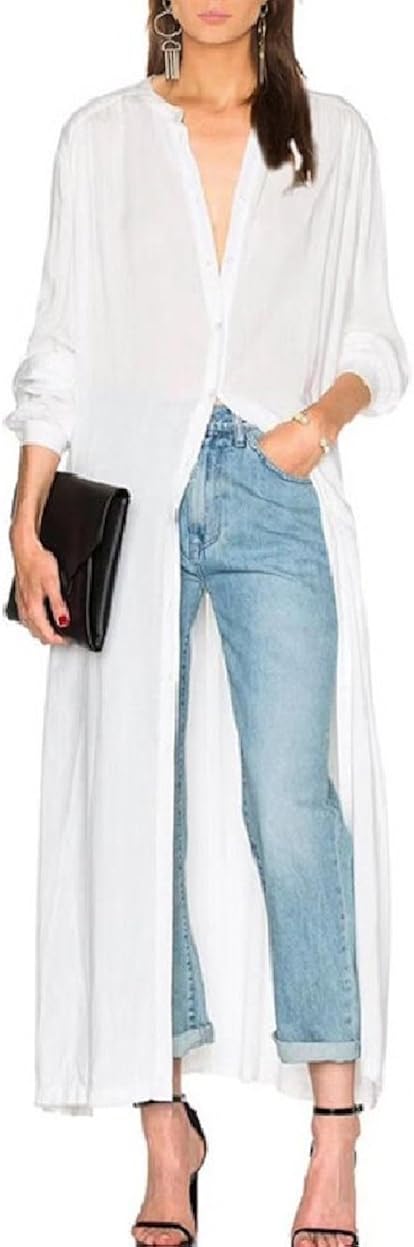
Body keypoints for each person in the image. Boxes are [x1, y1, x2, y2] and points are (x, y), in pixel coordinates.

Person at [3, 2, 410, 1245]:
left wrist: (315, 426)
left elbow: (373, 339)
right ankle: (164, 1131)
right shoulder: (99, 138)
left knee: (291, 801)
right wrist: (25, 524)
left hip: (276, 490)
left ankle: (334, 1140)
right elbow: (61, 343)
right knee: (142, 807)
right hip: (132, 491)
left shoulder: (333, 134)